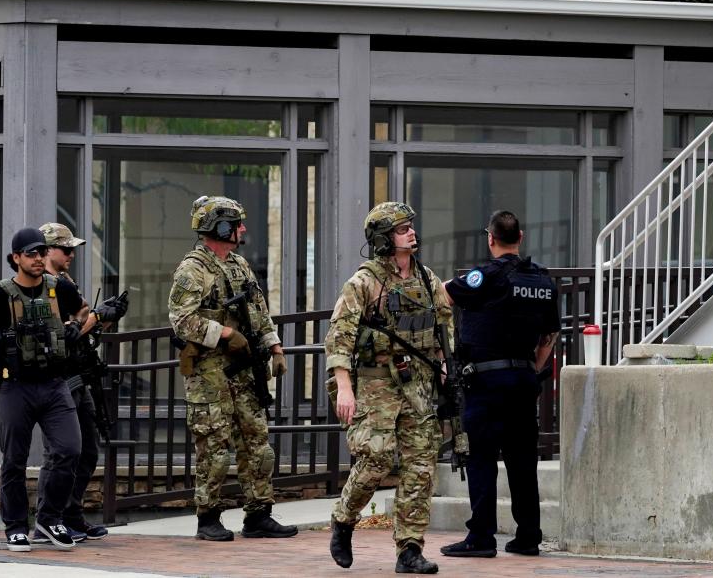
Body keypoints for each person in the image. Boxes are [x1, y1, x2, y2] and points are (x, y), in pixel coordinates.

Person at [326, 201, 452, 574]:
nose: (411, 233)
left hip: (418, 384)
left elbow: (444, 325)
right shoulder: (363, 282)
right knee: (376, 459)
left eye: (411, 227)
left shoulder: (427, 280)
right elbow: (339, 338)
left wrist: (446, 363)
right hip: (376, 383)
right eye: (402, 229)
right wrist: (344, 387)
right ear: (384, 239)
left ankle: (409, 549)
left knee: (420, 465)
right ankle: (344, 519)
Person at [168, 196, 296, 542]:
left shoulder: (239, 265)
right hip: (210, 374)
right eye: (236, 223)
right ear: (219, 227)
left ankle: (258, 514)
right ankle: (208, 517)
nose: (242, 229)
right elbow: (181, 321)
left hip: (244, 371)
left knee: (258, 443)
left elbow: (259, 311)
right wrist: (224, 333)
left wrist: (274, 346)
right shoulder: (193, 269)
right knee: (214, 449)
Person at [0, 227, 85, 552]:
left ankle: (49, 519)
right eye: (31, 253)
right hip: (15, 387)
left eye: (42, 252)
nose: (38, 258)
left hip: (54, 385)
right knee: (14, 460)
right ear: (16, 258)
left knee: (70, 450)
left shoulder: (58, 289)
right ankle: (15, 527)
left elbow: (82, 309)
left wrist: (75, 326)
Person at [439, 210, 561, 559]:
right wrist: (530, 368)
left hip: (486, 380)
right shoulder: (542, 280)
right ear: (520, 237)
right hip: (523, 379)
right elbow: (549, 335)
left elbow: (445, 294)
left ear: (490, 237)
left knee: (481, 458)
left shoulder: (486, 275)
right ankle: (528, 537)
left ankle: (481, 537)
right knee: (523, 460)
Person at [34, 222, 126, 544]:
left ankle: (70, 515)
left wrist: (105, 315)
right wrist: (99, 316)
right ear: (47, 251)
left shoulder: (65, 282)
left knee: (87, 449)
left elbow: (82, 326)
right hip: (59, 379)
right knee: (61, 452)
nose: (72, 254)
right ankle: (49, 521)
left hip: (78, 375)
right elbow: (65, 331)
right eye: (66, 249)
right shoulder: (43, 286)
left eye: (73, 249)